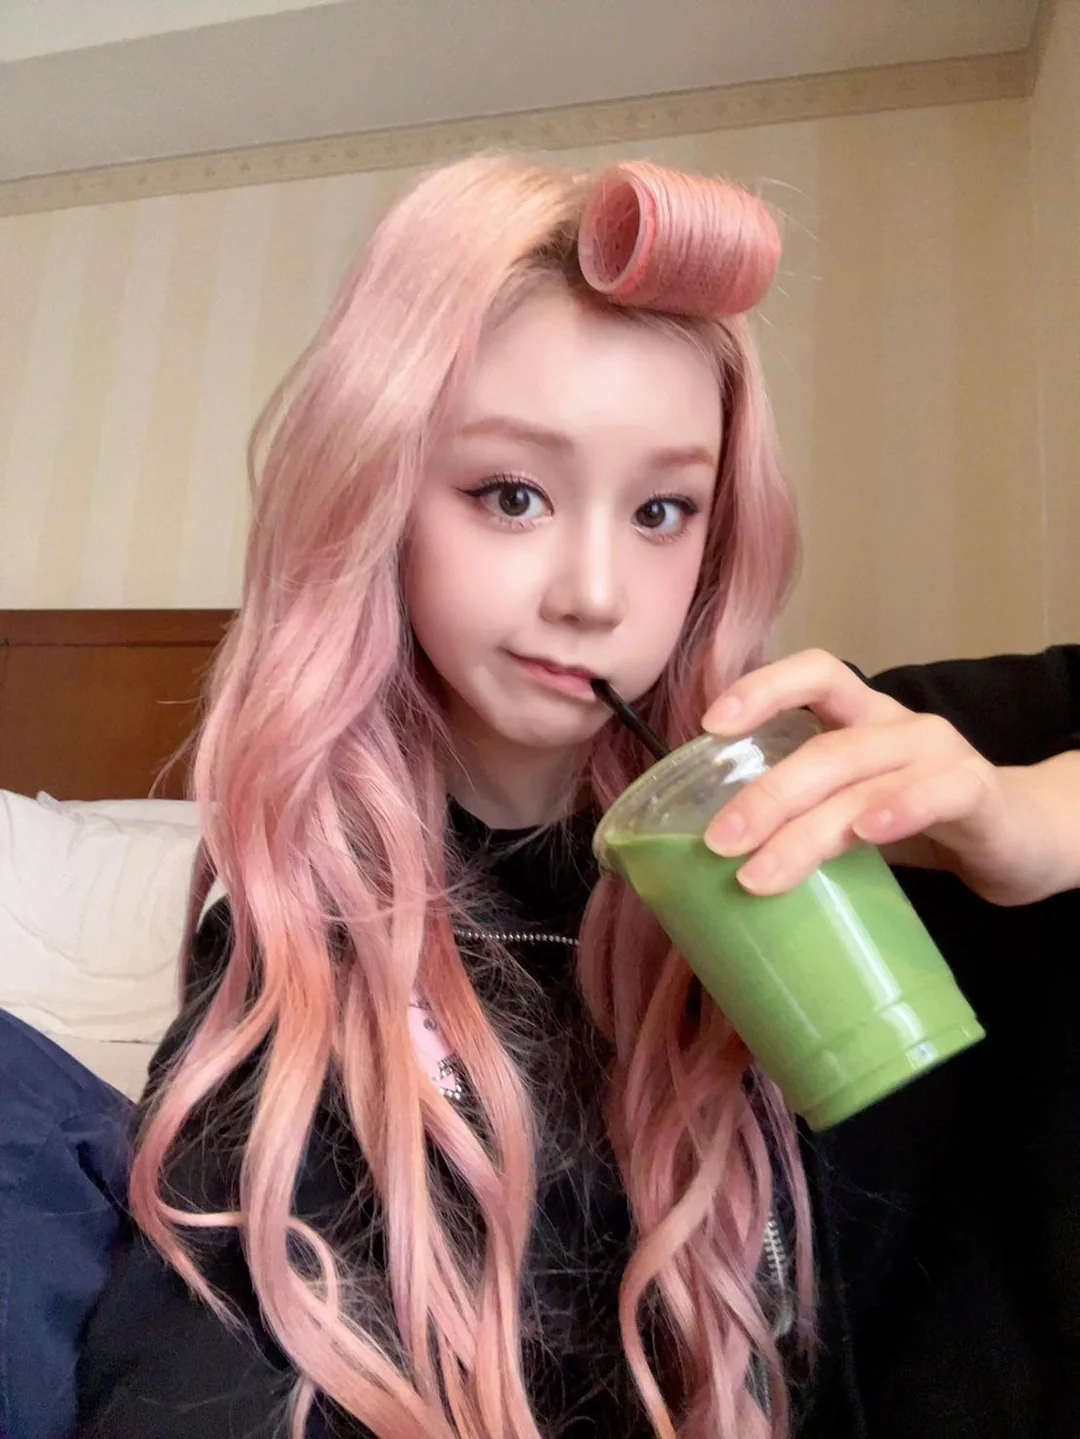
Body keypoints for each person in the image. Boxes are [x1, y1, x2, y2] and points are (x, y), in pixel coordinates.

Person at [60, 155, 1077, 1439]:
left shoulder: (856, 766)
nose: (595, 593)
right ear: (378, 497)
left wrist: (1029, 824)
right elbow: (193, 1350)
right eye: (514, 494)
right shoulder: (310, 946)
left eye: (662, 509)